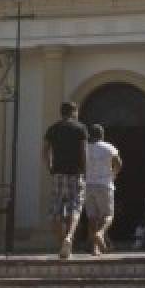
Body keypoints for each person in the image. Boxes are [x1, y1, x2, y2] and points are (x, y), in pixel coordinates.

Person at [43, 101, 87, 259]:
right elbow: (83, 152)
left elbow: (45, 151)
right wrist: (84, 170)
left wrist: (50, 168)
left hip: (58, 174)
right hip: (75, 173)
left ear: (61, 112)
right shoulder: (80, 128)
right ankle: (69, 237)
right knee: (75, 207)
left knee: (55, 210)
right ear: (74, 112)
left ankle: (62, 242)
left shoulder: (52, 129)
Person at [84, 123, 122, 256]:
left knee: (92, 217)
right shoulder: (109, 147)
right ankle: (100, 233)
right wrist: (113, 174)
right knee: (108, 215)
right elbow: (118, 163)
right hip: (104, 184)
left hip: (88, 185)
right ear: (102, 135)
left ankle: (95, 248)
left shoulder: (84, 148)